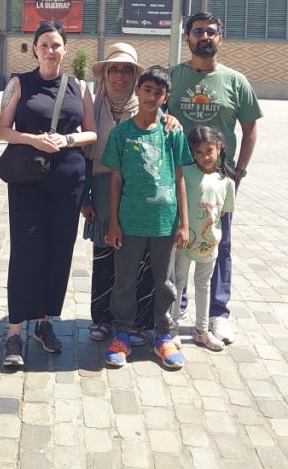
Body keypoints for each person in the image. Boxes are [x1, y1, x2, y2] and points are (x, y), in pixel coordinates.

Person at [0, 21, 97, 368]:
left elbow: (92, 133)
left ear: (64, 49)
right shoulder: (18, 84)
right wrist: (33, 139)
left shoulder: (79, 86)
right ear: (34, 49)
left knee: (57, 252)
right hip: (27, 180)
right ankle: (13, 333)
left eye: (56, 45)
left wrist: (67, 140)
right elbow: (3, 130)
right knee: (25, 250)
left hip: (67, 182)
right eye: (44, 45)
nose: (50, 51)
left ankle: (44, 323)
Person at [167, 12, 262, 345]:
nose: (204, 36)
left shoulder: (236, 82)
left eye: (211, 32)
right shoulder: (172, 78)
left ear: (221, 38)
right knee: (175, 246)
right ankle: (173, 311)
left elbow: (250, 130)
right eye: (197, 31)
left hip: (218, 181)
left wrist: (239, 172)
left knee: (218, 243)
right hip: (177, 178)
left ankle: (217, 314)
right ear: (187, 38)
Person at [102, 66, 191, 371]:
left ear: (167, 97)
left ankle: (164, 336)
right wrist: (113, 222)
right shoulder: (122, 133)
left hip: (165, 222)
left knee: (164, 282)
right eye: (147, 90)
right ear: (137, 91)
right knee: (124, 280)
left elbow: (180, 178)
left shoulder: (172, 132)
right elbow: (115, 179)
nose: (152, 97)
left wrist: (184, 223)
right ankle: (122, 334)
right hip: (130, 221)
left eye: (159, 92)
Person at [82, 43, 154, 346]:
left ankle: (140, 320)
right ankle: (102, 317)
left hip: (139, 190)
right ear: (106, 74)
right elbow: (84, 154)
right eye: (114, 69)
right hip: (101, 183)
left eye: (127, 70)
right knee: (105, 252)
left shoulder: (149, 106)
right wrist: (84, 197)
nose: (120, 76)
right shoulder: (94, 106)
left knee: (141, 254)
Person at [173, 126, 239, 351]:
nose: (204, 157)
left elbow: (222, 213)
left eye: (209, 150)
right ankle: (171, 328)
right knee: (178, 281)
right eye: (198, 152)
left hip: (209, 243)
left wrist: (210, 234)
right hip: (184, 240)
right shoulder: (186, 173)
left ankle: (201, 330)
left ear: (219, 148)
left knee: (203, 284)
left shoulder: (227, 181)